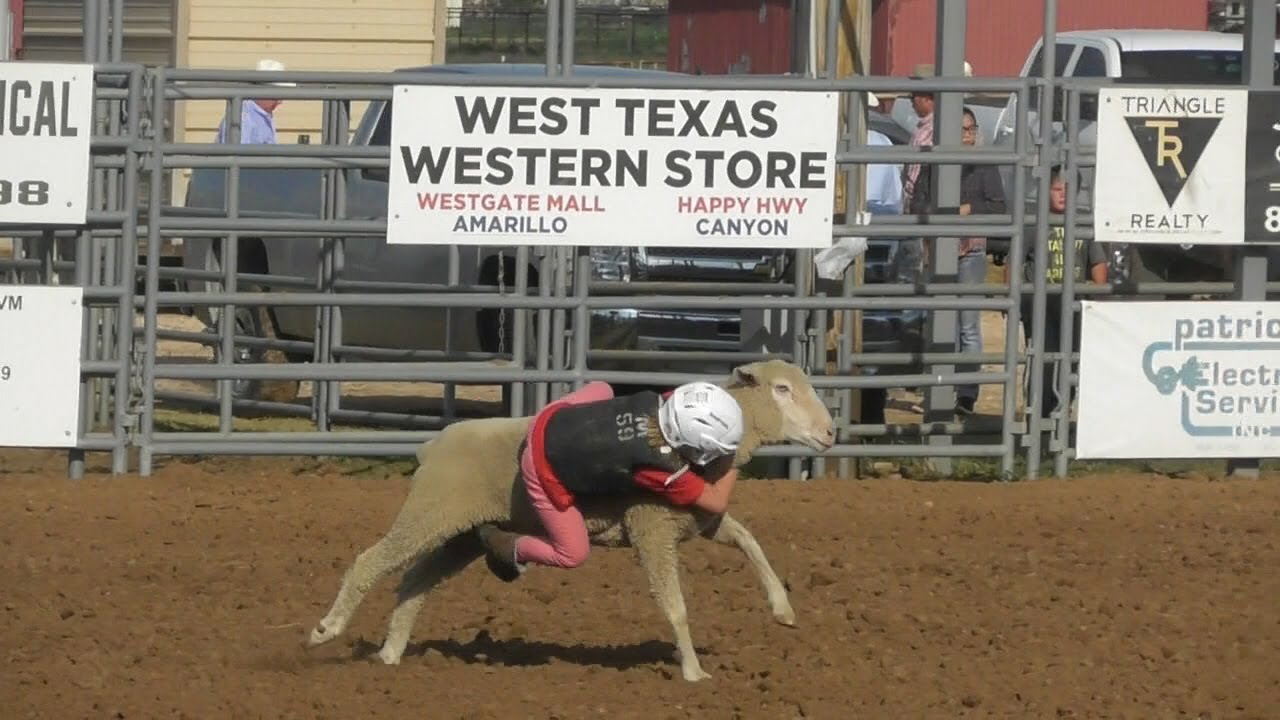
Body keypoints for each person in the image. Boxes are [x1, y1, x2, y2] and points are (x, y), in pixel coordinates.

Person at [475, 380, 745, 581]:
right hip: (542, 466)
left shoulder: (666, 400)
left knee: (602, 388)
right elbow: (716, 502)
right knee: (572, 553)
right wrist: (735, 460)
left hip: (551, 419)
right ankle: (510, 547)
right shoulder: (661, 469)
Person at [1004, 164, 1107, 421]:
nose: (1062, 195)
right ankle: (1037, 416)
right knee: (1041, 360)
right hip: (1039, 305)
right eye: (1057, 189)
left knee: (1071, 360)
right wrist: (1013, 299)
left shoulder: (1083, 222)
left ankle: (1061, 415)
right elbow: (1013, 263)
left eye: (1068, 190)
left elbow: (1098, 264)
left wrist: (1094, 295)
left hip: (1073, 304)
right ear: (1046, 191)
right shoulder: (1033, 222)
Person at [954, 107, 1007, 415]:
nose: (968, 135)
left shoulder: (984, 164)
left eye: (971, 129)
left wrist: (967, 208)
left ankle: (967, 395)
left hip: (971, 250)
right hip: (938, 250)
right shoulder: (935, 161)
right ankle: (942, 385)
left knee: (968, 326)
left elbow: (998, 207)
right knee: (941, 322)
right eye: (962, 129)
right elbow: (919, 198)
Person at [214, 59, 293, 144]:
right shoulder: (244, 119)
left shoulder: (258, 114)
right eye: (277, 96)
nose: (280, 102)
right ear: (264, 91)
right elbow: (239, 156)